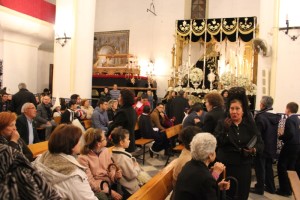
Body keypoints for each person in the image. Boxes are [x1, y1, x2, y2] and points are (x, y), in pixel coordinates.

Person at [214, 90, 263, 200]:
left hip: (243, 167)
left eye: (237, 109)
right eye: (232, 108)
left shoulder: (249, 125)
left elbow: (260, 143)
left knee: (241, 193)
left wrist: (253, 150)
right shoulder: (223, 123)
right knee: (226, 195)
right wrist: (225, 131)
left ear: (243, 111)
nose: (234, 112)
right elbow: (217, 143)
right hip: (226, 166)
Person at [33, 124, 98, 200]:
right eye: (78, 140)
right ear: (71, 144)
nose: (80, 143)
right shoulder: (73, 175)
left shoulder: (42, 157)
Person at [174, 133, 230, 200]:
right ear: (210, 155)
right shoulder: (205, 178)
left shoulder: (189, 164)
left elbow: (199, 189)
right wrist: (216, 173)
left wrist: (217, 187)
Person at [78, 128, 123, 200]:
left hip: (109, 183)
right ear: (98, 144)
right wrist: (108, 190)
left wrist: (115, 175)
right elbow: (90, 181)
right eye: (104, 138)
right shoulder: (83, 158)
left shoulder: (106, 150)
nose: (106, 139)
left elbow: (111, 167)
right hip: (98, 189)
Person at [250, 96, 280, 195]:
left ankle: (260, 188)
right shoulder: (275, 116)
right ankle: (271, 187)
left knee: (260, 168)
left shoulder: (261, 116)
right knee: (268, 167)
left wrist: (252, 146)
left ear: (262, 105)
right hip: (271, 145)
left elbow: (257, 134)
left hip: (262, 146)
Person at [276, 102, 300, 197]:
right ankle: (290, 188)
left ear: (288, 109)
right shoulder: (297, 119)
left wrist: (281, 137)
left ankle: (284, 189)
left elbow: (290, 133)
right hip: (297, 145)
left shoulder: (290, 119)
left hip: (290, 146)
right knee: (291, 167)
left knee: (282, 166)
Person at [111, 127, 142, 198]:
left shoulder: (114, 153)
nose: (129, 141)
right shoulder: (123, 158)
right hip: (130, 189)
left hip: (124, 185)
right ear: (121, 142)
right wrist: (136, 166)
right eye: (127, 139)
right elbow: (132, 175)